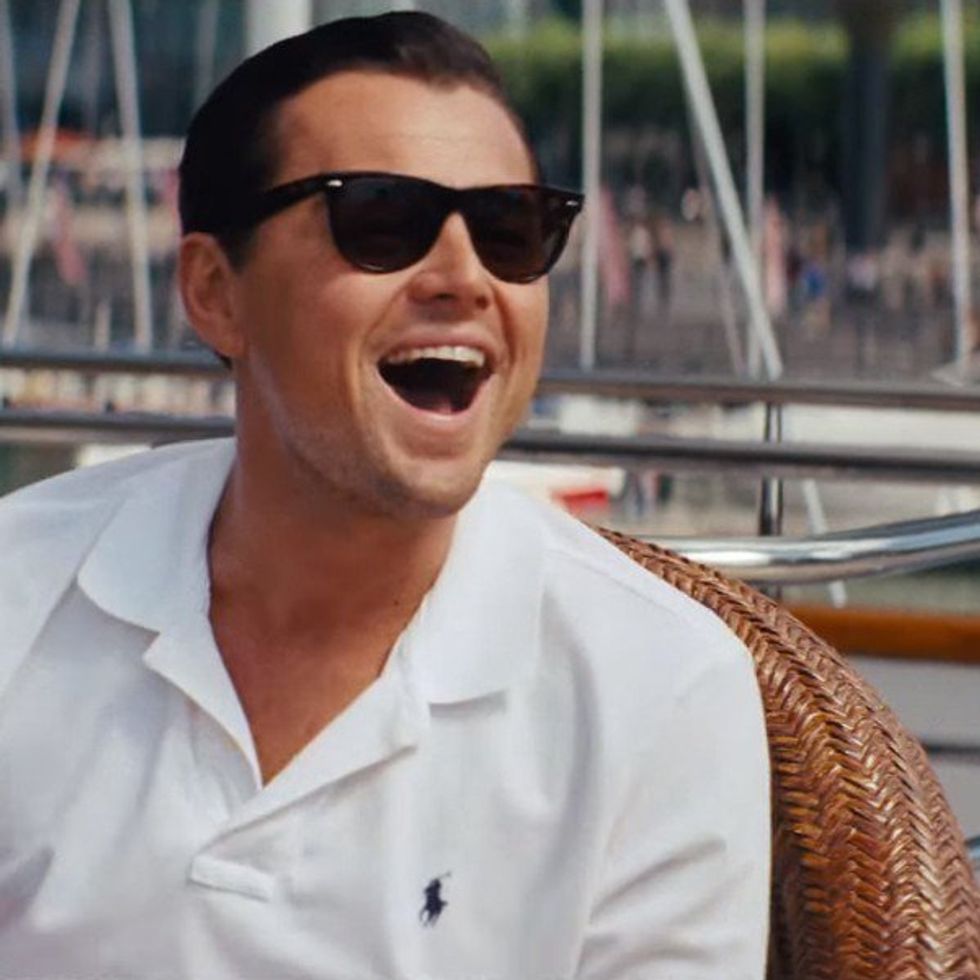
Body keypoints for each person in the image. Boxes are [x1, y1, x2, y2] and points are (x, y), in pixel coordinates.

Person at [0, 12, 770, 979]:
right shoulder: (20, 589)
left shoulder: (660, 690)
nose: (464, 277)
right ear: (215, 293)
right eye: (381, 221)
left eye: (510, 230)